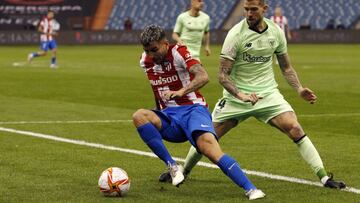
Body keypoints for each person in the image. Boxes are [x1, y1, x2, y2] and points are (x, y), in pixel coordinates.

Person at [160, 0, 346, 190]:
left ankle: (324, 177)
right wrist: (241, 95)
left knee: (295, 128)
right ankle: (185, 171)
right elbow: (222, 76)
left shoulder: (276, 32)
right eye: (246, 9)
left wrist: (299, 89)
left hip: (267, 94)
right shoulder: (235, 35)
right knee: (205, 137)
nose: (249, 13)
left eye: (253, 10)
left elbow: (286, 67)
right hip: (236, 98)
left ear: (264, 9)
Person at [133, 24, 265, 200]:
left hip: (193, 110)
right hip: (169, 118)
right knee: (139, 116)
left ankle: (251, 189)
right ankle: (172, 166)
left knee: (209, 149)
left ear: (165, 43)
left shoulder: (179, 52)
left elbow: (203, 76)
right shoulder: (145, 60)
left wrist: (181, 91)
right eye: (147, 50)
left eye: (154, 49)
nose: (151, 55)